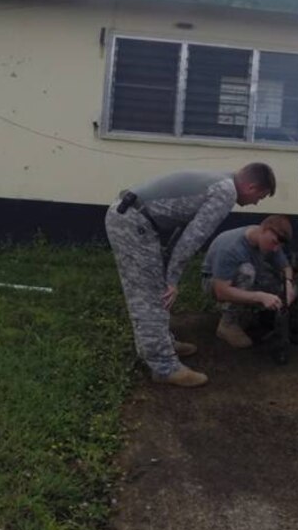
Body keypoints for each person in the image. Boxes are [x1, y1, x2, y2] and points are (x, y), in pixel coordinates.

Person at [105, 164, 276, 387]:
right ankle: (164, 367)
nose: (255, 203)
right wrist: (172, 280)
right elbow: (193, 238)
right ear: (250, 186)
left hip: (137, 219)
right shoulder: (226, 192)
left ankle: (160, 343)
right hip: (133, 223)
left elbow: (182, 226)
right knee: (149, 296)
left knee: (156, 290)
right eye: (259, 197)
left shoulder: (222, 180)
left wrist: (167, 264)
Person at [202, 215, 297, 348]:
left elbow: (285, 267)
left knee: (285, 286)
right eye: (274, 243)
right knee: (247, 272)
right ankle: (228, 324)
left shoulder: (269, 240)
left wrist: (288, 283)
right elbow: (221, 292)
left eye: (279, 245)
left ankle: (249, 313)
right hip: (216, 282)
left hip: (249, 275)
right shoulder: (231, 247)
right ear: (264, 229)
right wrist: (260, 296)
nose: (276, 249)